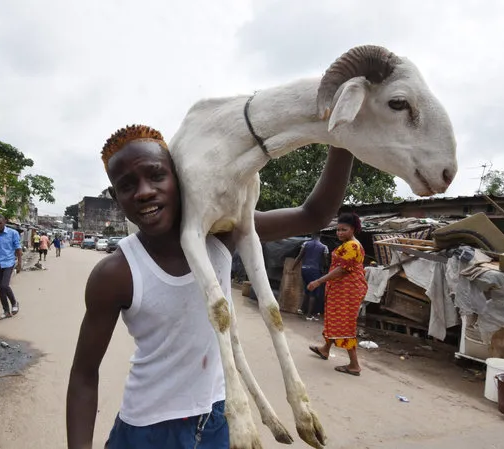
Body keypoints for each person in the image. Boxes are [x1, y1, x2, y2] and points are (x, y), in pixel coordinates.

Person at [66, 124, 354, 449]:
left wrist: (342, 134)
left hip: (218, 420)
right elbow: (83, 375)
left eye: (156, 175)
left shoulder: (222, 236)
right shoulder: (116, 272)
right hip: (146, 431)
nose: (144, 191)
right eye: (127, 185)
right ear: (116, 198)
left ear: (181, 178)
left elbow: (313, 214)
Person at [307, 212, 368, 376]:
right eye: (338, 229)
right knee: (334, 320)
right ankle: (325, 350)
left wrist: (319, 281)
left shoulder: (352, 246)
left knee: (344, 324)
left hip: (348, 291)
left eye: (344, 229)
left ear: (353, 229)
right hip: (341, 290)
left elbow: (342, 270)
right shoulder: (349, 244)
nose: (340, 233)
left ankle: (354, 365)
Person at [0, 215, 22, 320]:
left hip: (8, 262)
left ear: (5, 222)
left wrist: (20, 263)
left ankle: (14, 302)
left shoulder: (13, 233)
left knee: (4, 285)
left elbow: (18, 249)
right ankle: (6, 311)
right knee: (0, 288)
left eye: (0, 223)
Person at [293, 234, 329, 321]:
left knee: (307, 289)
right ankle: (309, 315)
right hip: (315, 270)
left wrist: (293, 267)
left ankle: (301, 309)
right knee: (314, 293)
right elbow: (325, 261)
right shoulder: (324, 247)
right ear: (320, 237)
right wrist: (325, 268)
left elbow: (299, 257)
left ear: (312, 236)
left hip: (304, 269)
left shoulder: (305, 244)